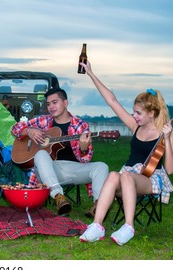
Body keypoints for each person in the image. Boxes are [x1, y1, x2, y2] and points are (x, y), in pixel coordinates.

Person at [79, 61, 173, 245]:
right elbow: (112, 101)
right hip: (129, 175)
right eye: (133, 112)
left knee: (127, 176)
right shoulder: (135, 126)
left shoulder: (166, 132)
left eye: (138, 113)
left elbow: (170, 169)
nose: (134, 116)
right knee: (115, 175)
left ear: (152, 114)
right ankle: (97, 225)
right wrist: (91, 73)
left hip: (150, 178)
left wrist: (169, 139)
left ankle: (129, 226)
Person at [11, 87, 109, 216]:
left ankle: (98, 206)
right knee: (41, 154)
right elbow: (15, 128)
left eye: (55, 102)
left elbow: (86, 159)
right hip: (49, 170)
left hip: (74, 169)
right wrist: (29, 131)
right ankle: (59, 197)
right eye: (48, 104)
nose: (51, 106)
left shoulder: (81, 125)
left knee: (102, 167)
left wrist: (83, 148)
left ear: (65, 103)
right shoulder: (43, 121)